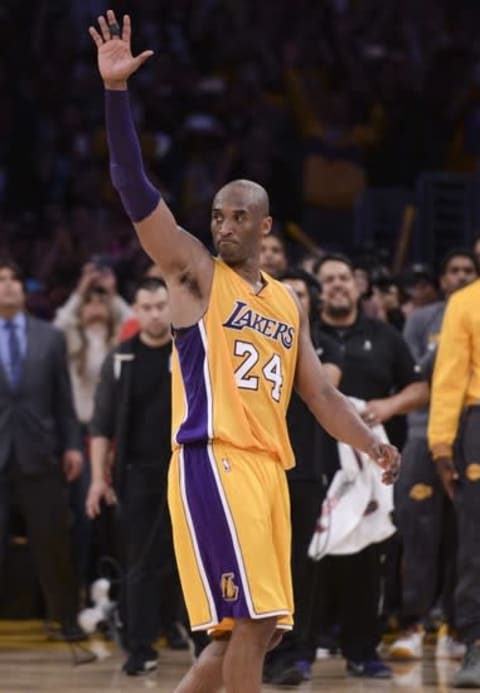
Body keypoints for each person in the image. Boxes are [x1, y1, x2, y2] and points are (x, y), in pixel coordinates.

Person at [89, 12, 400, 693]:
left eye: (238, 217)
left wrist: (371, 439)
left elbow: (317, 395)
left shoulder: (290, 301)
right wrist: (116, 96)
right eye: (217, 216)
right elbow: (133, 187)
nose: (223, 225)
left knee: (248, 633)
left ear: (264, 224)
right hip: (214, 458)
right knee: (253, 624)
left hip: (267, 472)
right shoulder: (195, 272)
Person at [312, 253, 429, 679]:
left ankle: (362, 650)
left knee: (367, 558)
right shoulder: (306, 336)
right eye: (328, 280)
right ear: (316, 289)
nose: (337, 285)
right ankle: (301, 651)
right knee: (310, 558)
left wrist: (388, 405)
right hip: (315, 460)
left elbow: (419, 386)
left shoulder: (383, 336)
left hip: (372, 465)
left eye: (344, 277)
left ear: (358, 285)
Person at [86, 276, 188, 675]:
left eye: (161, 305)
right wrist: (98, 478)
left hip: (186, 469)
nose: (154, 313)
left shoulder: (189, 351)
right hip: (137, 474)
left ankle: (202, 639)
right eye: (145, 307)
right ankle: (141, 646)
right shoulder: (121, 358)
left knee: (192, 558)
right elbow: (100, 426)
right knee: (139, 563)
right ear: (135, 310)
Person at [391, 249, 478, 661]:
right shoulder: (444, 311)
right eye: (454, 269)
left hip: (469, 431)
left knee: (466, 539)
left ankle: (459, 629)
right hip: (448, 428)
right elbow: (430, 379)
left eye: (468, 268)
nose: (461, 274)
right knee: (444, 538)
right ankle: (437, 629)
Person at [0, 258, 84, 641]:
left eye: (14, 279)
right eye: (0, 280)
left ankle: (65, 620)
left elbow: (63, 401)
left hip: (41, 451)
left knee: (53, 541)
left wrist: (72, 446)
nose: (8, 286)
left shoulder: (49, 337)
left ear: (24, 288)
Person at [428, 276, 480, 688]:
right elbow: (448, 377)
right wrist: (442, 444)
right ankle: (476, 641)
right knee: (476, 544)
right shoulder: (466, 302)